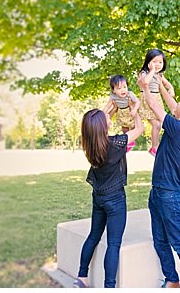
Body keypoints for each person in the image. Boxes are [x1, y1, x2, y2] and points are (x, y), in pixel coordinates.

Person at [137, 69, 180, 288]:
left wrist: (145, 87)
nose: (177, 103)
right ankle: (172, 280)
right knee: (160, 240)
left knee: (177, 240)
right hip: (158, 191)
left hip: (168, 195)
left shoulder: (177, 128)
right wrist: (161, 82)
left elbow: (156, 107)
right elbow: (171, 102)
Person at [74, 108, 144, 288]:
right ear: (103, 126)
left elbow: (96, 120)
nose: (108, 116)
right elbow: (140, 129)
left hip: (98, 197)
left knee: (93, 236)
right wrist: (135, 109)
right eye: (106, 117)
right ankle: (109, 287)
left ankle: (82, 277)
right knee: (114, 244)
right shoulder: (115, 143)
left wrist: (113, 104)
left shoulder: (90, 142)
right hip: (115, 199)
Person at [136, 49, 174, 157]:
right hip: (147, 99)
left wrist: (171, 89)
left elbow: (168, 84)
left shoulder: (160, 75)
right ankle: (154, 147)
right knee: (156, 125)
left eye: (160, 62)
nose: (157, 65)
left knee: (160, 124)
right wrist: (152, 71)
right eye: (154, 61)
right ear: (148, 62)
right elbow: (145, 82)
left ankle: (155, 147)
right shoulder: (144, 73)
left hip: (157, 99)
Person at [101, 74, 141, 152]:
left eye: (124, 87)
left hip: (129, 111)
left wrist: (134, 109)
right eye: (119, 88)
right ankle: (129, 142)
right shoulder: (113, 96)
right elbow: (107, 106)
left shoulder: (130, 94)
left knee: (133, 126)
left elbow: (137, 102)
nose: (123, 90)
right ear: (113, 91)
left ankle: (132, 139)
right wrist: (102, 114)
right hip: (121, 112)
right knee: (124, 128)